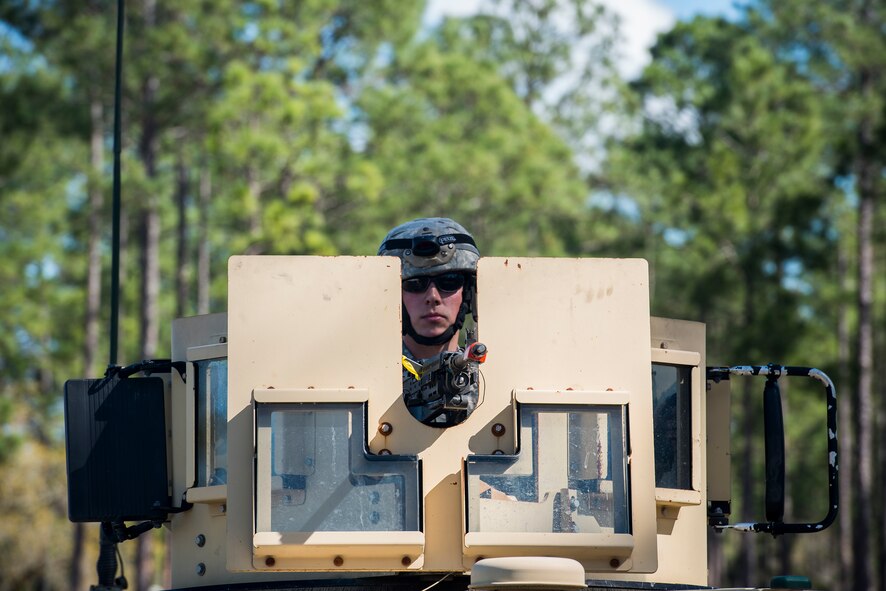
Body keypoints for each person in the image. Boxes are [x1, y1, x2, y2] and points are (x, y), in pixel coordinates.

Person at [378, 217, 482, 427]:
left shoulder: (497, 381)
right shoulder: (365, 377)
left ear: (468, 294)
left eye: (449, 282)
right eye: (415, 284)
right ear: (392, 295)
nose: (433, 296)